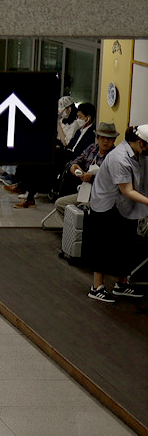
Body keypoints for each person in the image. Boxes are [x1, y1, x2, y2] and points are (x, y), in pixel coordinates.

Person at [84, 124, 148, 304]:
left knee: (125, 244)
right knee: (103, 245)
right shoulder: (119, 158)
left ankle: (122, 283)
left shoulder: (139, 154)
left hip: (126, 206)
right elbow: (127, 190)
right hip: (107, 205)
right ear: (140, 143)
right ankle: (96, 287)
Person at [54, 121, 118, 218]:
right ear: (97, 137)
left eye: (109, 138)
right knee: (60, 204)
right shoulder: (91, 149)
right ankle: (75, 227)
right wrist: (74, 166)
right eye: (103, 137)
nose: (105, 141)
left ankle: (82, 226)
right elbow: (76, 161)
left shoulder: (116, 156)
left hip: (104, 196)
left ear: (114, 140)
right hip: (86, 192)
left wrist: (92, 178)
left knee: (82, 209)